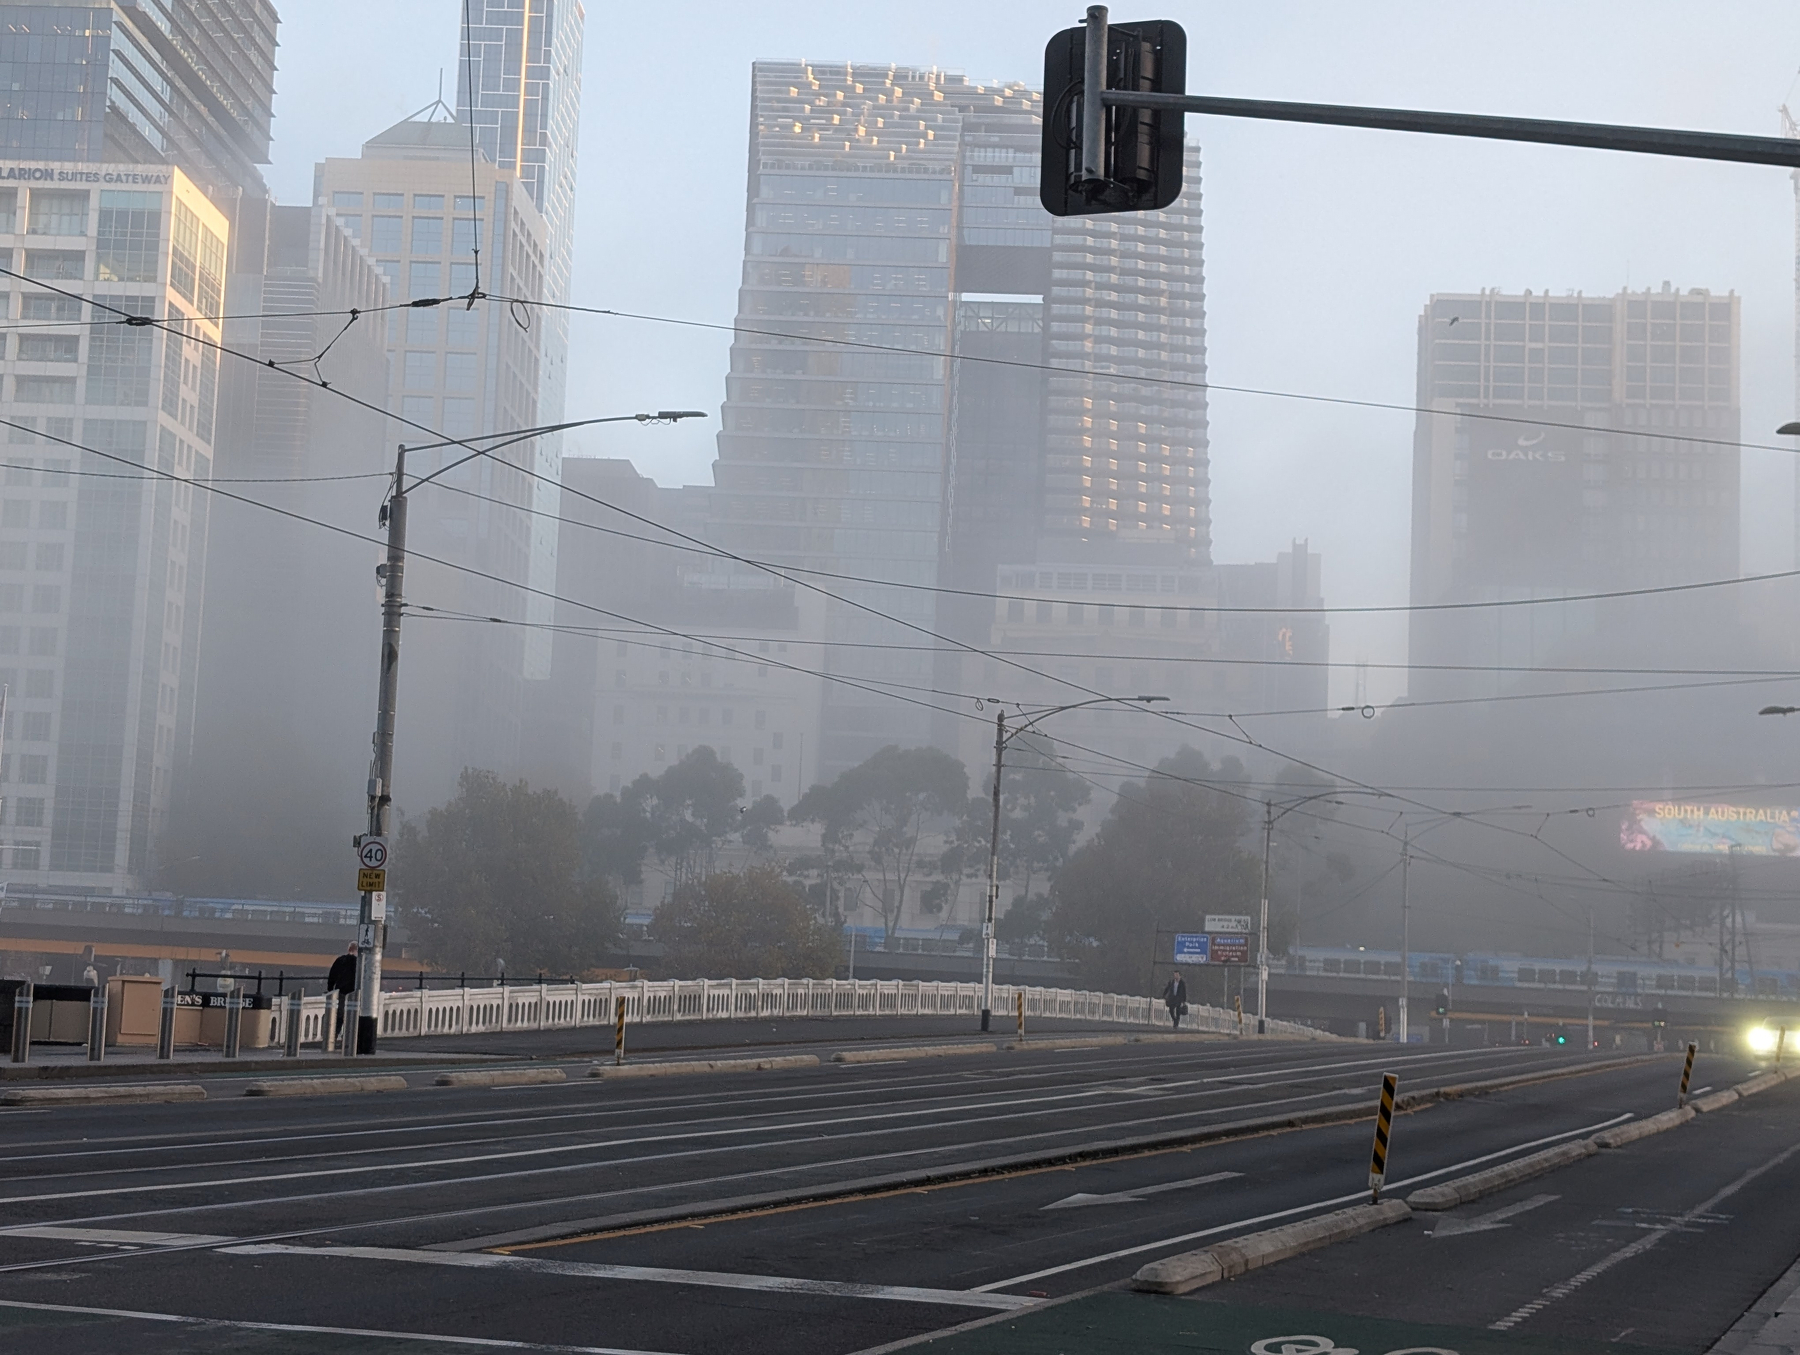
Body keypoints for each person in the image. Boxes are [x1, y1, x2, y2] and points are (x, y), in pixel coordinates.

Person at [326, 942, 358, 1045]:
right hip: (354, 994)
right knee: (352, 1017)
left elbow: (332, 976)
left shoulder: (340, 960)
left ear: (349, 949)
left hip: (341, 992)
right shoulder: (359, 962)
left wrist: (331, 990)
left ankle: (333, 1038)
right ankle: (348, 1039)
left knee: (339, 1017)